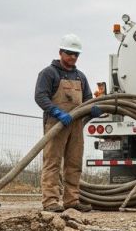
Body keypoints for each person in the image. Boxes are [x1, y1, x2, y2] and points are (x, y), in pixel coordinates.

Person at [34, 34, 101, 213]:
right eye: (69, 53)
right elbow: (40, 96)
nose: (73, 57)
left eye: (76, 54)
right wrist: (56, 112)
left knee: (74, 164)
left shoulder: (80, 76)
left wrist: (92, 109)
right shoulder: (49, 73)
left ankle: (72, 200)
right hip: (56, 124)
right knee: (53, 163)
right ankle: (50, 201)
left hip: (76, 125)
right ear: (61, 52)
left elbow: (87, 99)